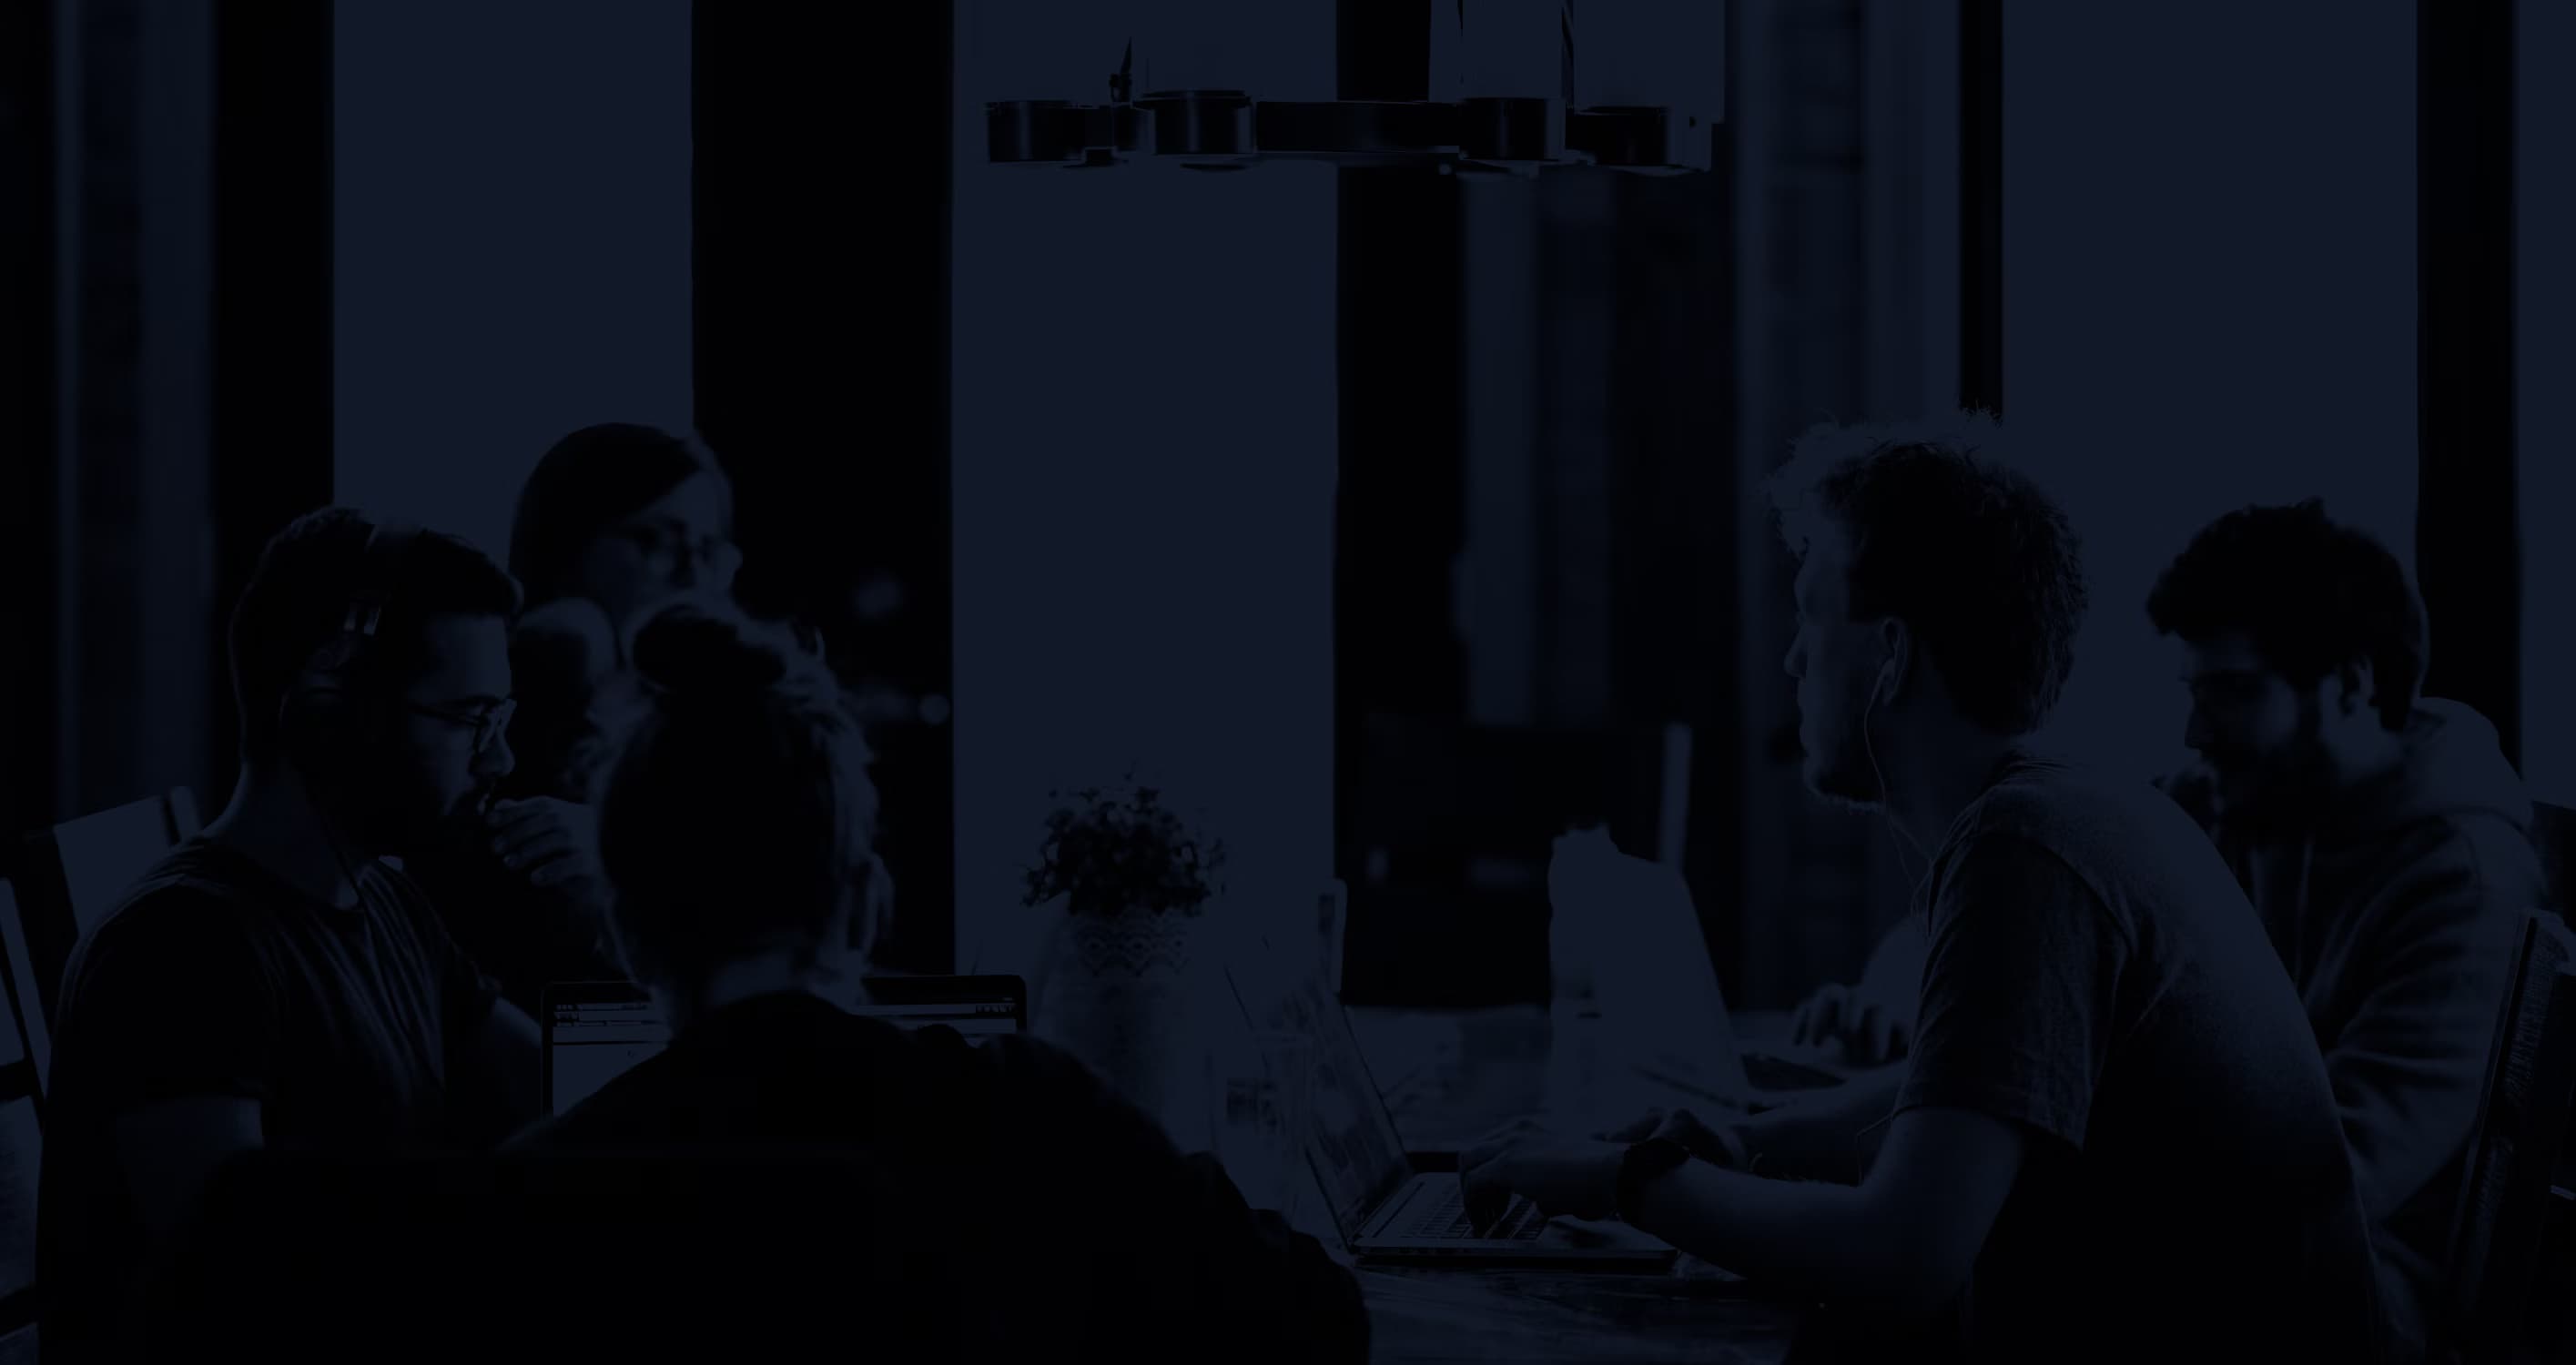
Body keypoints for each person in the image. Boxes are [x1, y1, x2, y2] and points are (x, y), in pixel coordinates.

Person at [1459, 418, 2385, 1360]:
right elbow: (1952, 1101)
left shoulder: (2026, 847)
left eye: (1810, 616)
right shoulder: (2076, 808)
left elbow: (1901, 1260)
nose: (1793, 659)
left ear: (1892, 656)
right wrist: (1738, 1140)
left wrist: (1622, 1182)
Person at [507, 602, 1369, 1361]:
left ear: (628, 936)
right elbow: (1316, 1320)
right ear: (862, 906)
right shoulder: (1031, 1120)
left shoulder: (530, 1198)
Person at [37, 510, 543, 1361]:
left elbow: (563, 1095)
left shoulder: (385, 900)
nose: (501, 762)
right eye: (471, 719)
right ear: (328, 711)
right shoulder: (180, 951)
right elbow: (237, 1291)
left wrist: (622, 908)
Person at [2146, 500, 2546, 1354]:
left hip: (2350, 1295)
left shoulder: (2467, 882)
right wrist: (1900, 976)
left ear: (2354, 686)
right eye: (2193, 693)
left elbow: (2325, 1182)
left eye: (2233, 693)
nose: (2194, 732)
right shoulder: (2223, 800)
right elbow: (2047, 895)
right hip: (2207, 1240)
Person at [411, 422, 736, 1012]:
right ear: (566, 548)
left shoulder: (711, 721)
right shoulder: (526, 690)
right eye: (655, 541)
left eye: (709, 550)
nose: (692, 574)